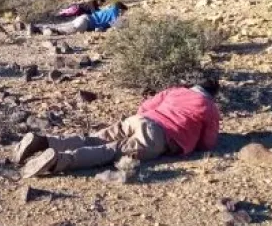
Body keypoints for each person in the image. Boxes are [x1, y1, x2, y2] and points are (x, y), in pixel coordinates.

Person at [13, 76, 221, 178]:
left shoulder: (175, 91)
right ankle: (59, 161)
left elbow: (146, 105)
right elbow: (208, 142)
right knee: (111, 151)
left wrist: (141, 121)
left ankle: (45, 142)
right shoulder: (210, 107)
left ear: (195, 85)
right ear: (213, 94)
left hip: (139, 119)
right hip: (160, 135)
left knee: (94, 138)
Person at [44, 2, 128, 35]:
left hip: (84, 18)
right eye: (124, 12)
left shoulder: (109, 10)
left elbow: (107, 24)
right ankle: (49, 30)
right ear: (120, 10)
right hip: (86, 22)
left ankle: (43, 28)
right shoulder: (115, 13)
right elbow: (118, 27)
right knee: (69, 30)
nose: (123, 14)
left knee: (66, 25)